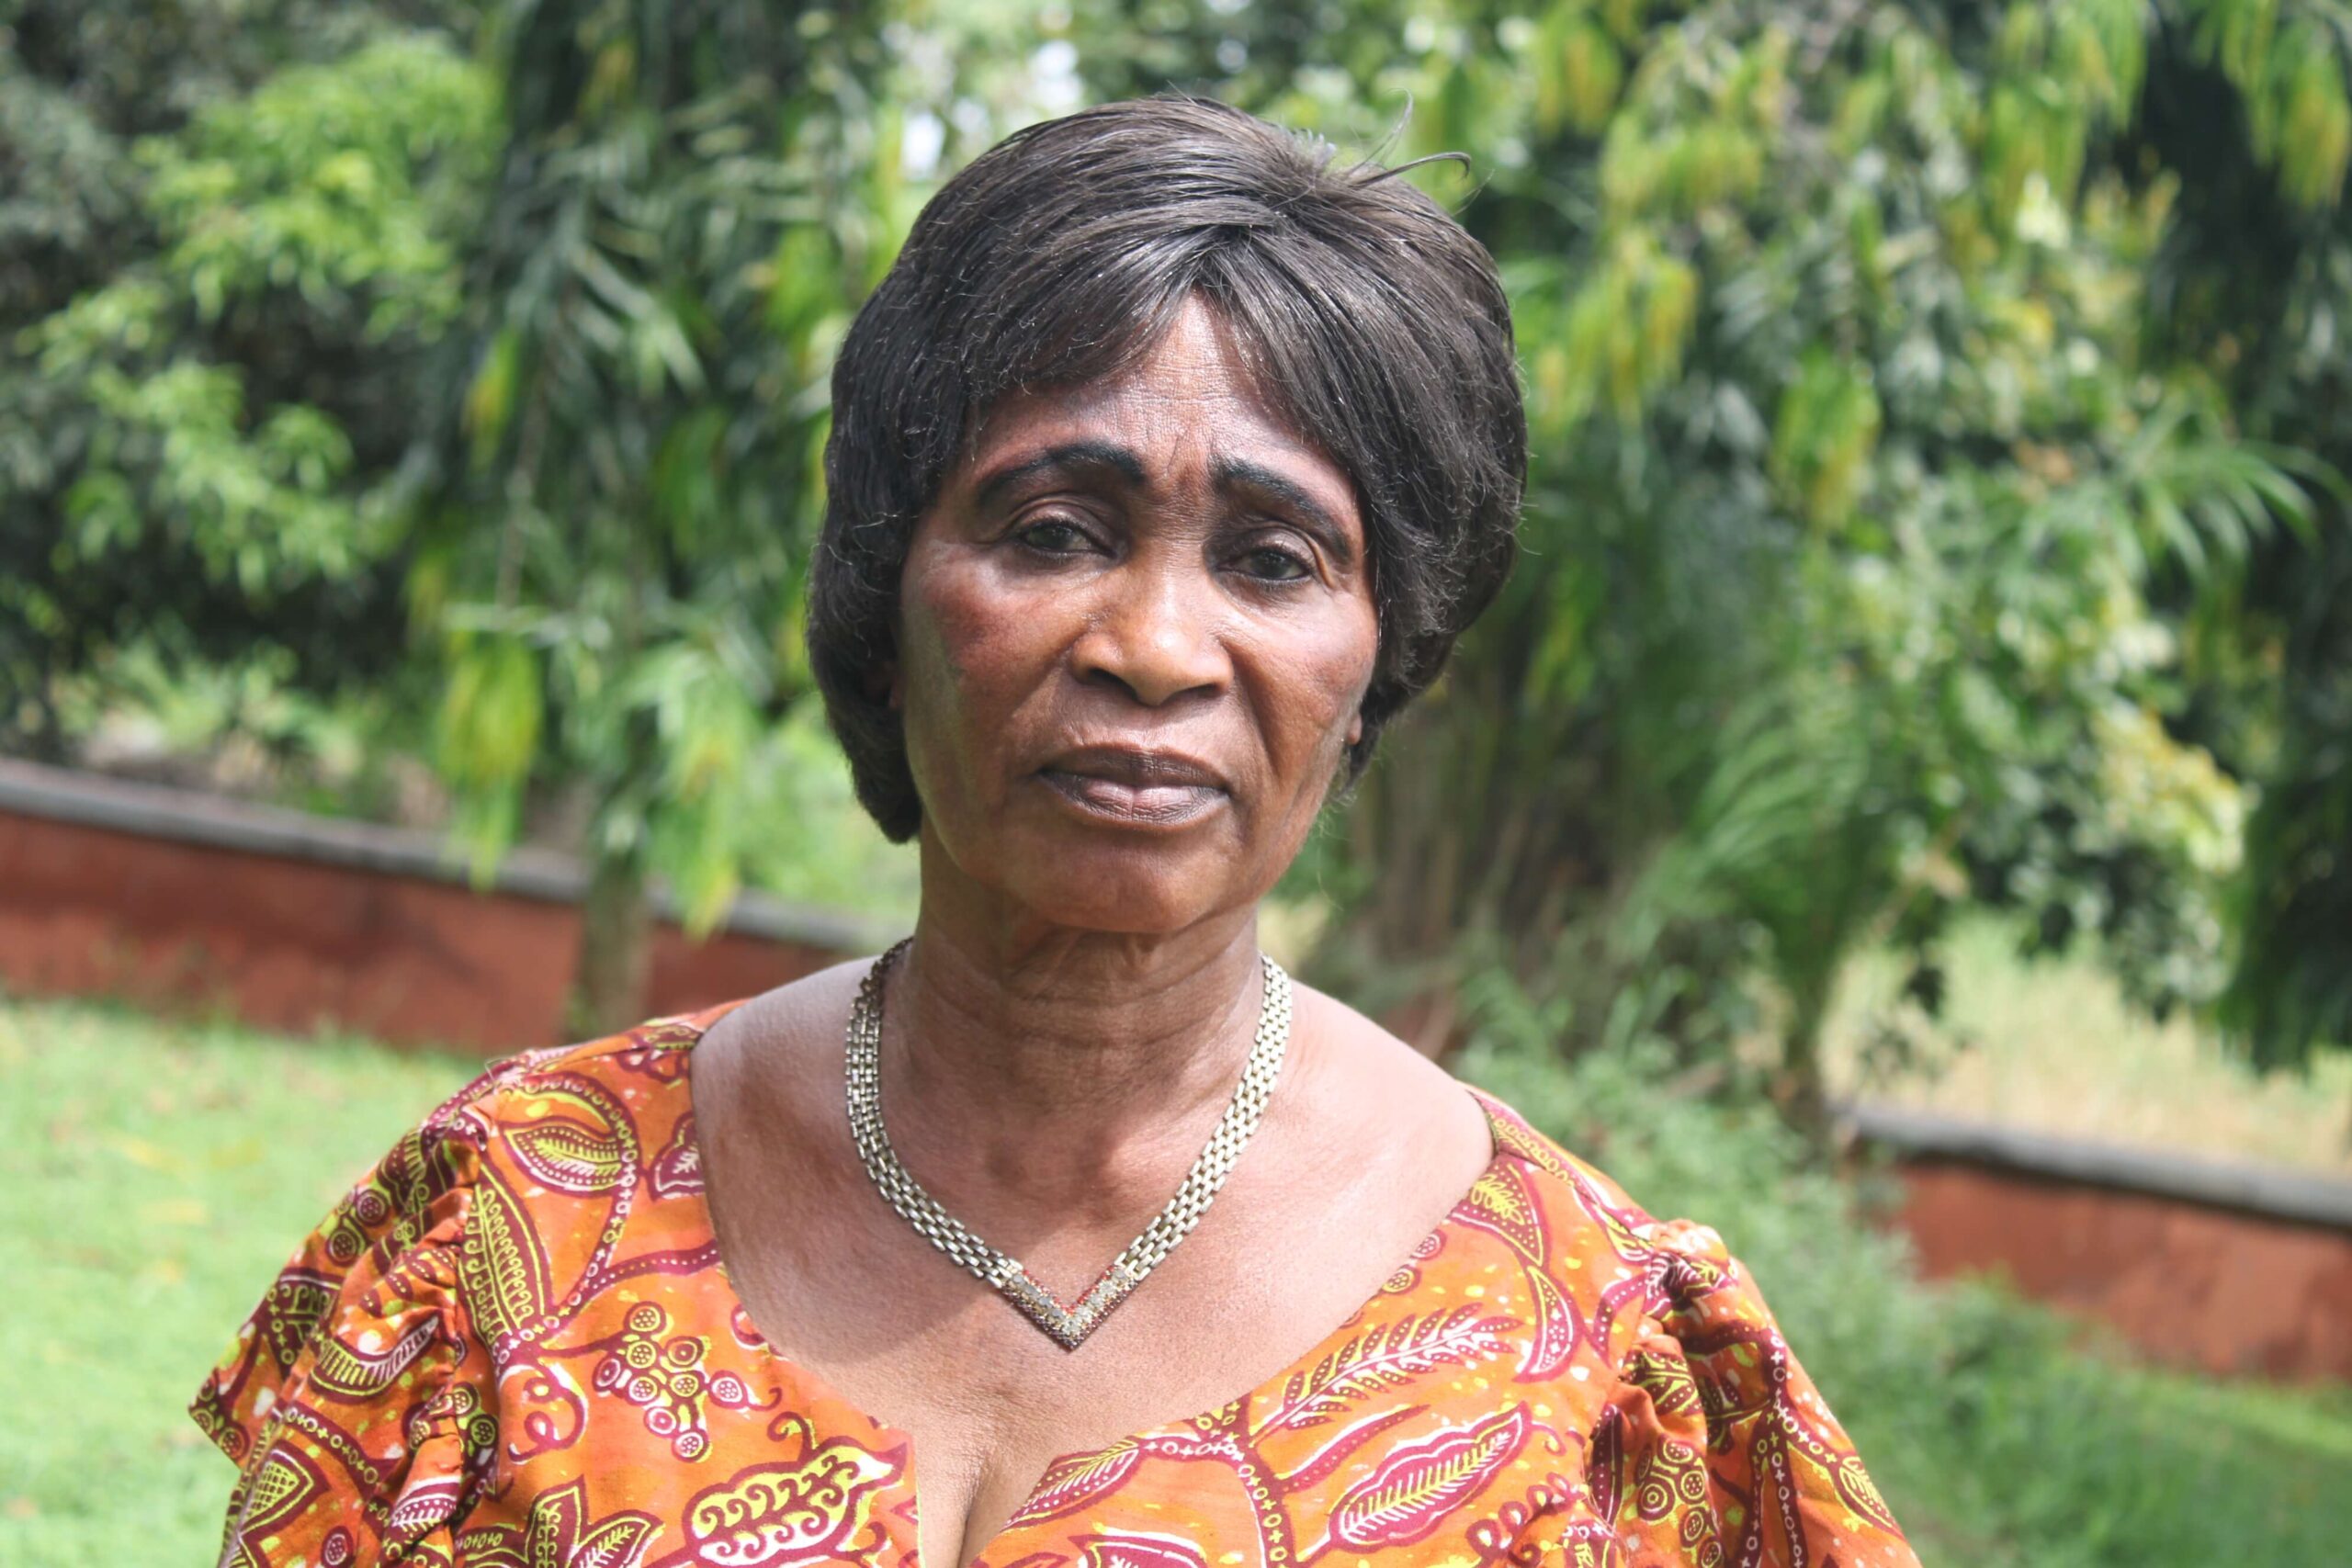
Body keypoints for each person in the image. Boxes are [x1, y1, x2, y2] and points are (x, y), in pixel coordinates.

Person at [193, 96, 1917, 1568]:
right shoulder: (520, 1222)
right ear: (885, 595)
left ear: (1379, 666)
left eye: (1274, 561)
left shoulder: (1592, 1363)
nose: (1154, 648)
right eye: (1052, 530)